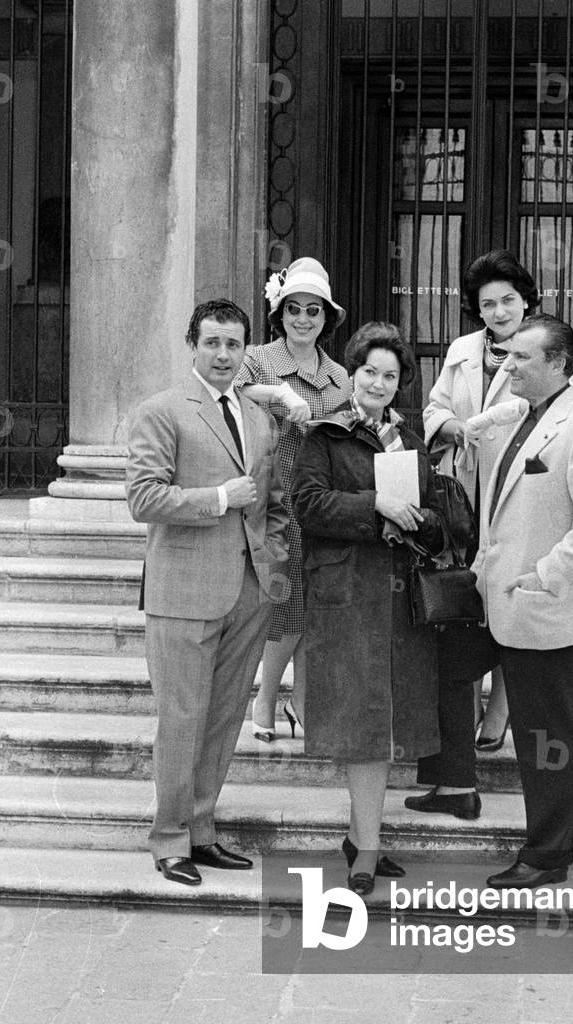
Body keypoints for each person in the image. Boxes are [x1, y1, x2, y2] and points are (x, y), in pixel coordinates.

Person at [126, 298, 289, 885]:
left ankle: (201, 830)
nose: (223, 354)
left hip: (248, 590)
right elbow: (144, 498)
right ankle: (169, 838)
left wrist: (273, 561)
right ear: (192, 345)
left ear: (246, 350)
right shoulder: (161, 411)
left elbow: (272, 501)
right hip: (183, 591)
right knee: (182, 717)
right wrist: (220, 498)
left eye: (233, 344)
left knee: (222, 719)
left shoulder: (259, 417)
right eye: (212, 342)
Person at [474, 313, 573, 889]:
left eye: (521, 357)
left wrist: (547, 574)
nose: (507, 365)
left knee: (548, 741)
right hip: (501, 603)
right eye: (508, 354)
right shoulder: (524, 415)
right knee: (534, 738)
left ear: (559, 363)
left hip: (545, 608)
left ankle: (546, 856)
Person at [291, 321, 444, 895]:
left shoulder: (412, 441)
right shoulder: (325, 434)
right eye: (369, 372)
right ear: (352, 374)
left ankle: (362, 840)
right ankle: (368, 850)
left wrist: (421, 518)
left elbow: (434, 513)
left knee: (384, 722)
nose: (378, 384)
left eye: (390, 376)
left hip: (400, 599)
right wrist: (374, 504)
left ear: (401, 383)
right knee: (362, 722)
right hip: (348, 594)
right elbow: (306, 505)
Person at [422, 250, 545, 763]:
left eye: (508, 300)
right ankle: (466, 703)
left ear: (526, 301)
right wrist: (455, 428)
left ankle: (500, 708)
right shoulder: (462, 350)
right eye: (488, 303)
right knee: (467, 600)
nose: (499, 312)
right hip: (464, 494)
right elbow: (435, 407)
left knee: (509, 598)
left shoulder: (544, 347)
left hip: (518, 496)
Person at [234, 257, 351, 742]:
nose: (303, 319)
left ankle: (301, 700)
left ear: (326, 318)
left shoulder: (339, 375)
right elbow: (232, 390)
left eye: (313, 311)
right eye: (294, 309)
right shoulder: (257, 359)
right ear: (279, 314)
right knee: (285, 600)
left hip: (320, 499)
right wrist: (281, 395)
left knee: (314, 603)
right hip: (272, 497)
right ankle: (265, 697)